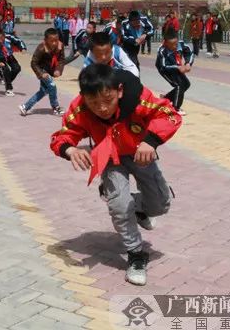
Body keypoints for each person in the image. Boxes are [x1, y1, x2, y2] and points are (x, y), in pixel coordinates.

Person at [50, 64, 181, 286]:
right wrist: (70, 150)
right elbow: (61, 137)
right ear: (84, 97)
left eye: (107, 100)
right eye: (94, 103)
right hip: (109, 158)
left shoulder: (140, 98)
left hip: (141, 154)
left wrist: (151, 141)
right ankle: (136, 254)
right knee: (120, 206)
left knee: (160, 206)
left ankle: (139, 208)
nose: (101, 108)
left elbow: (170, 114)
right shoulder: (80, 108)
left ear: (119, 91)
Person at [19, 28, 67, 116]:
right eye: (51, 41)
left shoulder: (60, 46)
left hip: (51, 69)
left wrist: (58, 70)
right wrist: (41, 74)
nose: (54, 43)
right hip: (42, 70)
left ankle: (25, 107)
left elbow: (61, 60)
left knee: (44, 91)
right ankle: (56, 107)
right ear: (45, 40)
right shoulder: (41, 48)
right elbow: (34, 63)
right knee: (52, 86)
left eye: (56, 40)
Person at [155, 28, 194, 115]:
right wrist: (178, 68)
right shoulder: (162, 50)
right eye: (171, 45)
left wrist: (188, 63)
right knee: (179, 85)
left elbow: (189, 52)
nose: (174, 46)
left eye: (176, 44)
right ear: (165, 42)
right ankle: (175, 108)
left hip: (177, 66)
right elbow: (164, 66)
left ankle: (165, 98)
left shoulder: (181, 44)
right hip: (165, 70)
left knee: (186, 84)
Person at [0, 27, 25, 97]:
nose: (0, 40)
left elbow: (18, 41)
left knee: (17, 68)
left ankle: (7, 81)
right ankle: (9, 89)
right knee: (6, 70)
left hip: (9, 56)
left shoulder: (9, 37)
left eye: (2, 38)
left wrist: (22, 48)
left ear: (4, 36)